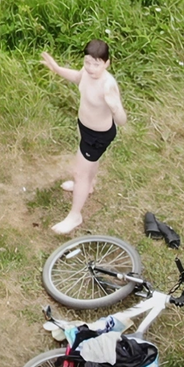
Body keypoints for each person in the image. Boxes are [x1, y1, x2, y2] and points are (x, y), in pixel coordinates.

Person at [39, 38, 127, 235]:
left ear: (106, 63)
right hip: (85, 127)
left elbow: (121, 121)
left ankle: (75, 215)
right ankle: (89, 186)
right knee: (87, 169)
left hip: (97, 136)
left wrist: (116, 107)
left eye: (96, 64)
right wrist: (56, 68)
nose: (90, 68)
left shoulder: (108, 85)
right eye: (87, 62)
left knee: (80, 174)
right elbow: (77, 77)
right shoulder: (87, 73)